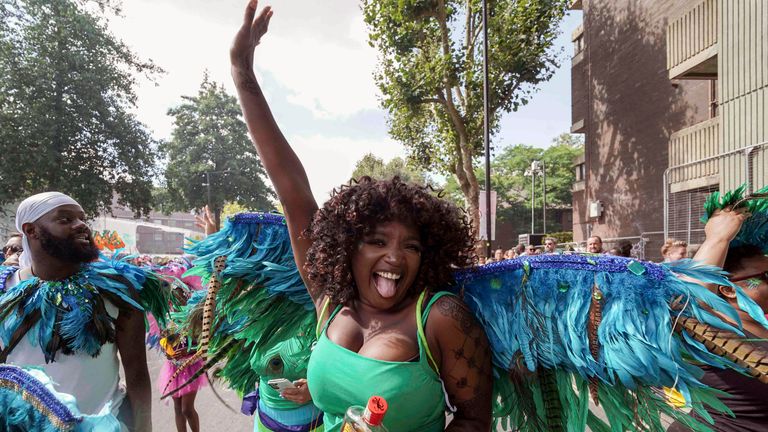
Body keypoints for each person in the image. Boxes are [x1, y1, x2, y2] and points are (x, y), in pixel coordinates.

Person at [230, 2, 492, 430]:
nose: (395, 256)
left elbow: (474, 421)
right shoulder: (331, 302)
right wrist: (242, 69)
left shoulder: (440, 319)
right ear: (346, 247)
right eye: (377, 241)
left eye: (411, 246)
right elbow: (291, 189)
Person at [0, 192, 155, 431]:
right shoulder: (4, 289)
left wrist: (144, 428)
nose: (81, 224)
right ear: (31, 231)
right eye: (65, 219)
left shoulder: (117, 290)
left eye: (82, 218)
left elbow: (136, 374)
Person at [666, 202, 768, 431]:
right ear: (729, 288)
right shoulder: (709, 329)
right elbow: (684, 305)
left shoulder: (761, 323)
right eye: (765, 275)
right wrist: (718, 239)